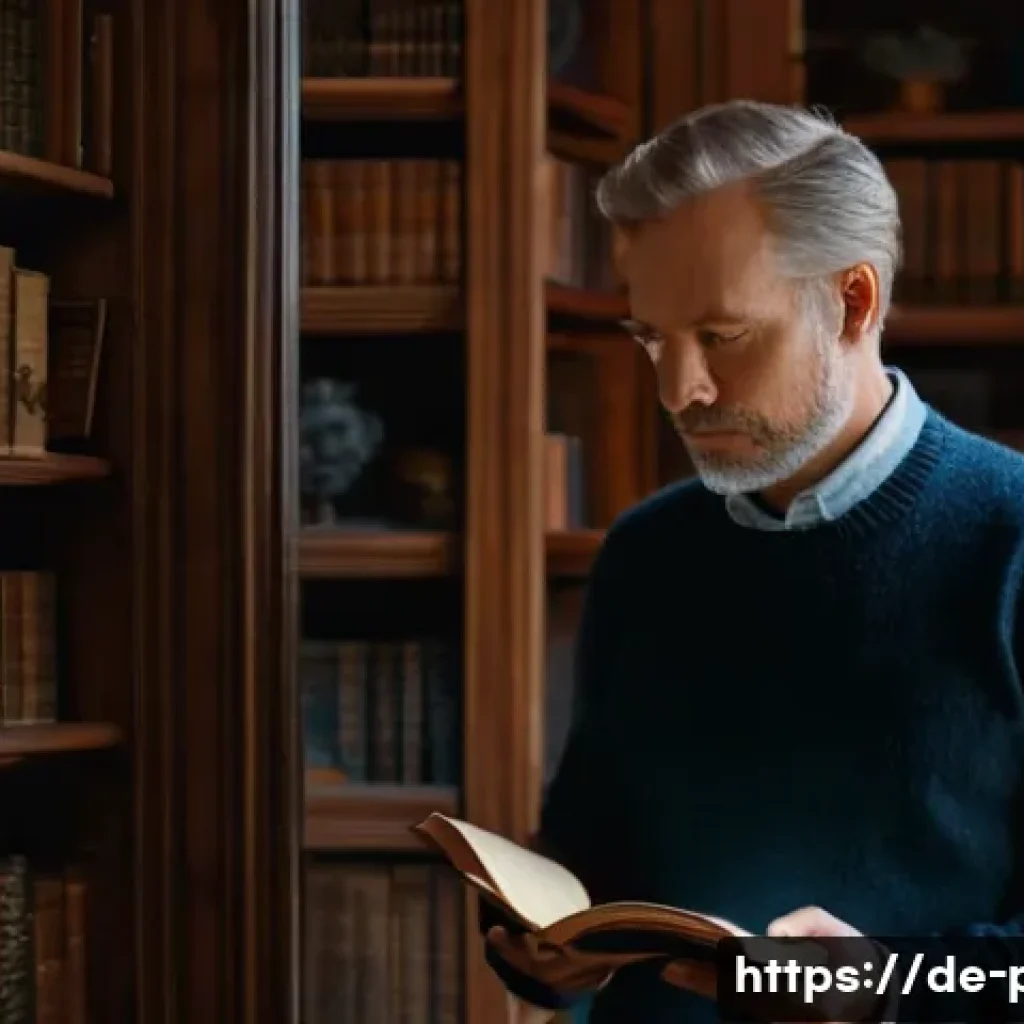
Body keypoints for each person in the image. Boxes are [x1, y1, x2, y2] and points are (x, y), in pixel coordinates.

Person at [479, 99, 1024, 1024]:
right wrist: (542, 953)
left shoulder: (1011, 543)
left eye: (722, 337)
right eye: (652, 337)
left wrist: (884, 991)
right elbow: (590, 861)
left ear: (853, 301)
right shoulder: (645, 555)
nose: (677, 390)